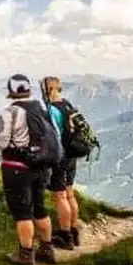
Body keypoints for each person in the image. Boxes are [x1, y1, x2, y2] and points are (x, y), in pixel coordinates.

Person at [0, 73, 59, 265]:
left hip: (17, 169)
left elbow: (2, 141)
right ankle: (47, 250)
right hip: (42, 167)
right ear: (29, 89)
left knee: (23, 212)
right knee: (40, 209)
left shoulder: (9, 112)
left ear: (10, 91)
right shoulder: (41, 109)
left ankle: (26, 255)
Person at [41, 76, 80, 250]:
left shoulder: (51, 109)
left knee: (60, 196)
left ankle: (65, 236)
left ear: (47, 90)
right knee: (70, 193)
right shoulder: (68, 105)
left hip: (60, 156)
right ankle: (73, 231)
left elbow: (52, 136)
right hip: (72, 155)